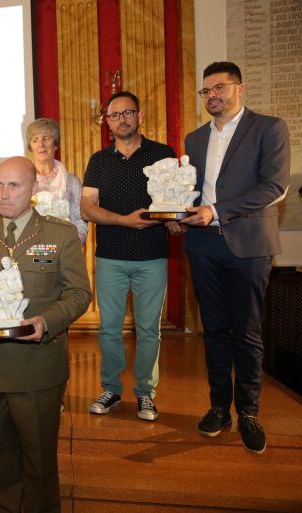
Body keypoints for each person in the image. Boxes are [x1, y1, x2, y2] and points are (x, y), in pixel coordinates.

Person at [0, 156, 91, 513]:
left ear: (33, 189)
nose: (4, 193)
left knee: (39, 461)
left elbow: (80, 294)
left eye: (14, 185)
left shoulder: (59, 234)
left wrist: (46, 321)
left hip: (38, 367)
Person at [168, 61, 290, 453]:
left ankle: (249, 412)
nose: (212, 96)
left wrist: (216, 210)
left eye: (219, 87)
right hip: (203, 246)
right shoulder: (194, 138)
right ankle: (219, 408)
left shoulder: (269, 128)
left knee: (249, 332)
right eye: (206, 91)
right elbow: (190, 193)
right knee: (214, 332)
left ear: (240, 88)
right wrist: (177, 216)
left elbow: (274, 186)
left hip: (249, 245)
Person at [80, 91, 177, 422]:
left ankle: (146, 394)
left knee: (150, 330)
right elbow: (87, 207)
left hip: (153, 256)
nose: (121, 119)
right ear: (107, 123)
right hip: (110, 257)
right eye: (114, 115)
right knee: (109, 329)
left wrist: (176, 221)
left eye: (127, 113)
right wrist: (125, 220)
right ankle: (111, 389)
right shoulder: (99, 160)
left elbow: (173, 201)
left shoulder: (164, 155)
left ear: (141, 115)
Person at [25, 118, 88, 244]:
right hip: (29, 250)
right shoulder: (23, 181)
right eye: (35, 140)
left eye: (46, 138)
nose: (41, 144)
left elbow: (78, 220)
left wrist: (72, 244)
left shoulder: (72, 181)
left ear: (55, 144)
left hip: (64, 250)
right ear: (30, 147)